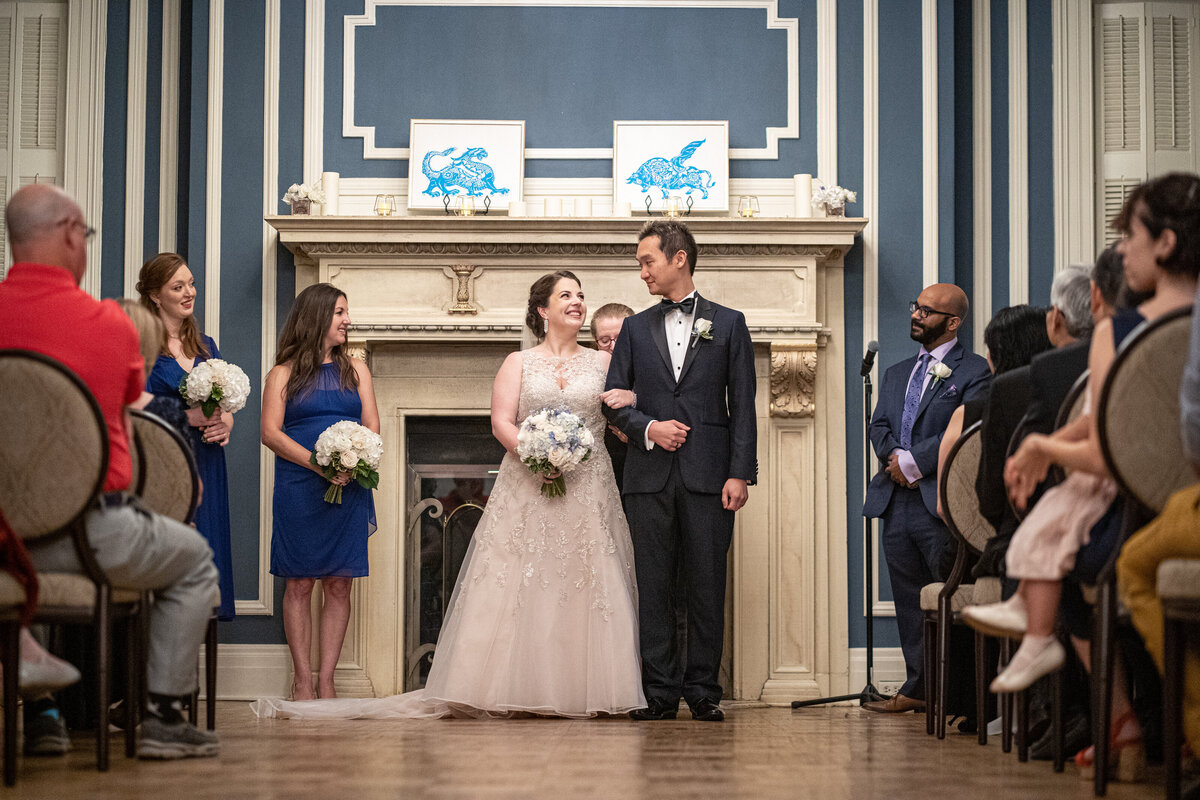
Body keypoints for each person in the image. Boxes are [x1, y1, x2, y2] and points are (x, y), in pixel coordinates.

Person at [252, 271, 644, 719]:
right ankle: (509, 686)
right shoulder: (518, 363)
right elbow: (501, 422)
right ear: (542, 310)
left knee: (585, 580)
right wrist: (537, 453)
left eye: (580, 295)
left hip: (587, 486)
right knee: (522, 579)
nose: (577, 302)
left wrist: (618, 413)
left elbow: (628, 411)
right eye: (566, 295)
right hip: (527, 480)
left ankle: (584, 687)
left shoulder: (603, 364)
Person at [967, 172, 1200, 780]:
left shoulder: (1119, 335)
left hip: (1138, 516)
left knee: (1073, 555)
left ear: (1167, 244)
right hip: (1174, 502)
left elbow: (1115, 447)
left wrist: (1044, 445)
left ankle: (1127, 722)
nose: (1122, 250)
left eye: (1131, 235)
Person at [0, 183, 220, 759]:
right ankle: (163, 718)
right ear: (72, 234)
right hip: (88, 538)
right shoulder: (108, 325)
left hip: (3, 543)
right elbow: (131, 416)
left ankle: (44, 712)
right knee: (195, 560)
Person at [604, 219, 757, 723]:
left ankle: (704, 691)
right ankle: (659, 693)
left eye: (648, 260)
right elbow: (612, 402)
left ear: (679, 259)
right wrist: (649, 427)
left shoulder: (730, 323)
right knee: (654, 586)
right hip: (647, 478)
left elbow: (744, 407)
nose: (642, 270)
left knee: (707, 585)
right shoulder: (632, 328)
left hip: (710, 477)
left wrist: (740, 473)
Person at [861, 284, 992, 713]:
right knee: (907, 599)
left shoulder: (974, 371)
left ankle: (953, 694)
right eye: (916, 305)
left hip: (938, 501)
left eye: (927, 310)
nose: (916, 314)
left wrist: (914, 463)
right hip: (895, 501)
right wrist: (894, 458)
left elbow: (966, 428)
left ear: (953, 322)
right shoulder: (897, 372)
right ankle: (919, 688)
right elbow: (879, 425)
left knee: (943, 594)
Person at [260, 283, 380, 702]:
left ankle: (327, 679)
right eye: (340, 313)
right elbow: (270, 433)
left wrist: (351, 462)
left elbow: (372, 427)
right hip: (299, 487)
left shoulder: (357, 370)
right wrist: (318, 463)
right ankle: (302, 680)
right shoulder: (283, 373)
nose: (348, 320)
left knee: (339, 584)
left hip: (349, 486)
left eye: (347, 312)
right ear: (317, 317)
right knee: (299, 583)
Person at [136, 255, 236, 620]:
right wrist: (187, 417)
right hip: (166, 462)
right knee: (170, 570)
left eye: (191, 284)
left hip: (208, 461)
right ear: (155, 296)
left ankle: (189, 664)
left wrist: (225, 423)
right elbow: (132, 409)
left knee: (206, 557)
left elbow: (226, 403)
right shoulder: (141, 344)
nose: (190, 292)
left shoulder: (205, 344)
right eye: (178, 287)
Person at [590, 302, 635, 492]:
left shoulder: (653, 368)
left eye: (620, 338)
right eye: (605, 340)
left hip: (638, 468)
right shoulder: (588, 371)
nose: (613, 347)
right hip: (595, 467)